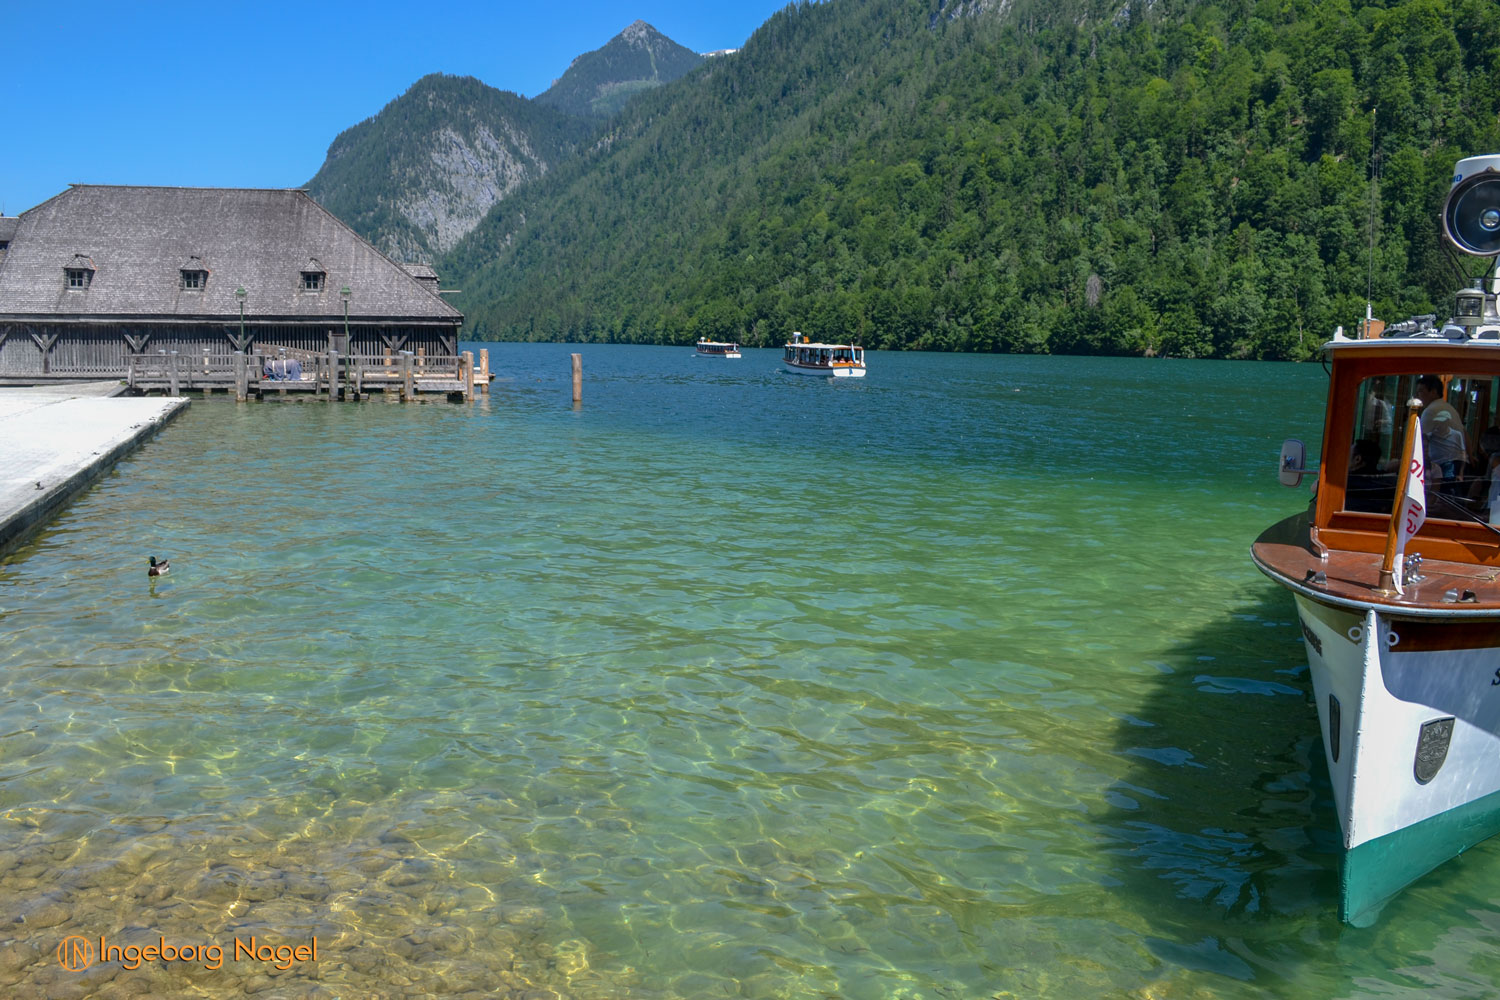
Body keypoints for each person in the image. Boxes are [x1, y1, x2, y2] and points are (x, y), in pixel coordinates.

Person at [1415, 375, 1468, 480]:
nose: (1418, 395)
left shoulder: (1431, 410)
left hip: (1446, 464)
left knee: (1444, 490)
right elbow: (1465, 433)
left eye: (1421, 391)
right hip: (1457, 461)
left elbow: (1420, 441)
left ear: (1433, 392)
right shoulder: (1449, 407)